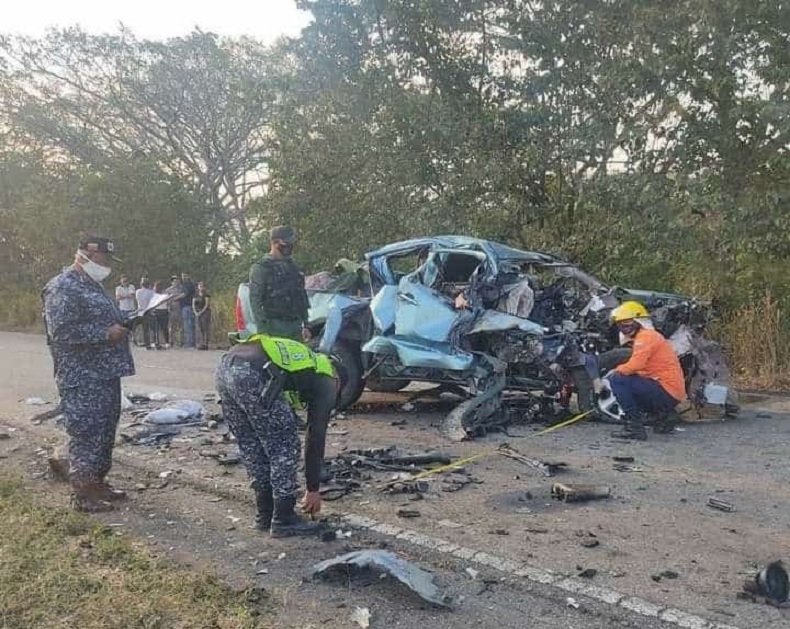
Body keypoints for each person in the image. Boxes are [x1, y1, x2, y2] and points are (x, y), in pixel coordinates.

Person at [42, 236, 135, 512]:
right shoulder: (62, 287)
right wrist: (105, 334)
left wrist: (125, 323)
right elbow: (61, 332)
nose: (107, 265)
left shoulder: (94, 286)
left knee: (106, 429)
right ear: (87, 255)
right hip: (81, 375)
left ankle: (98, 482)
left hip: (105, 372)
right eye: (104, 260)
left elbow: (105, 318)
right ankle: (83, 494)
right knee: (85, 431)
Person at [215, 334, 339, 537]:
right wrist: (313, 489)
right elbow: (315, 436)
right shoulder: (327, 380)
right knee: (284, 444)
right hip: (252, 372)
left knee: (252, 444)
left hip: (226, 367)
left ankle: (265, 515)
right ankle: (283, 518)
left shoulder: (305, 361)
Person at [605, 301, 686, 440]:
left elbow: (635, 365)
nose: (624, 328)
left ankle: (634, 428)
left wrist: (615, 371)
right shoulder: (650, 336)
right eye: (621, 324)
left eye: (627, 323)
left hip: (666, 390)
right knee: (630, 379)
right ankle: (663, 417)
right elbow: (644, 370)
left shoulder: (646, 337)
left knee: (618, 379)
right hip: (671, 391)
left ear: (639, 321)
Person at [249, 226, 311, 342]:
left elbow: (301, 297)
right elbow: (255, 301)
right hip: (274, 328)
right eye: (287, 242)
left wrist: (306, 325)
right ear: (274, 242)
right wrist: (262, 331)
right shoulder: (261, 268)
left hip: (295, 328)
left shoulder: (294, 268)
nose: (290, 246)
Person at [135, 278, 155, 349]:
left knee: (144, 329)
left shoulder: (138, 292)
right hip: (148, 311)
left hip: (140, 311)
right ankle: (153, 342)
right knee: (152, 328)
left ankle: (147, 344)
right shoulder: (151, 292)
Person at [180, 272, 197, 348]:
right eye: (182, 276)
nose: (183, 277)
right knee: (186, 325)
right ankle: (189, 342)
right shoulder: (184, 285)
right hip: (184, 307)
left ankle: (190, 343)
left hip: (188, 306)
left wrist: (174, 298)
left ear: (188, 276)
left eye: (185, 276)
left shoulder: (189, 285)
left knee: (188, 325)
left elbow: (184, 294)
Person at [152, 280, 170, 349]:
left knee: (162, 328)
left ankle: (164, 342)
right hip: (159, 311)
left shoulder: (163, 295)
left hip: (162, 311)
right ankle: (161, 342)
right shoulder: (157, 295)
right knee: (159, 328)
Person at [166, 275, 183, 347]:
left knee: (181, 327)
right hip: (172, 309)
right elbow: (166, 300)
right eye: (174, 281)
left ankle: (181, 341)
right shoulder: (168, 290)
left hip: (180, 309)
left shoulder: (181, 289)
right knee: (172, 327)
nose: (176, 282)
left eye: (177, 280)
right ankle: (171, 341)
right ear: (172, 282)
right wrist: (168, 308)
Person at [193, 281, 211, 350]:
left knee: (205, 328)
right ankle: (200, 343)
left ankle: (205, 344)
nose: (201, 287)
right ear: (198, 287)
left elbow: (206, 305)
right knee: (199, 328)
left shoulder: (206, 295)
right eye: (200, 286)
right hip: (197, 312)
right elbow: (193, 304)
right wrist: (195, 312)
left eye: (202, 286)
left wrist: (201, 312)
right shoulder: (195, 295)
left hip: (205, 312)